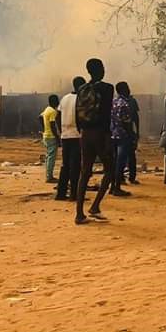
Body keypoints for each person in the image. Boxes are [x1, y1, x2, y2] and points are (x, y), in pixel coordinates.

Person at [75, 58, 116, 224]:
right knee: (110, 170)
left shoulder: (82, 88)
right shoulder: (107, 88)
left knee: (84, 172)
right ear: (99, 70)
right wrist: (107, 137)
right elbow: (106, 114)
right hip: (100, 133)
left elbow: (77, 112)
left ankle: (79, 214)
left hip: (84, 133)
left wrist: (82, 131)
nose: (104, 70)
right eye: (103, 67)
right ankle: (95, 206)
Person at [55, 76, 85, 202]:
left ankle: (61, 193)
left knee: (65, 165)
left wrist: (61, 131)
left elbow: (57, 116)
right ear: (81, 86)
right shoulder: (81, 99)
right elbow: (81, 117)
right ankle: (74, 194)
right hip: (76, 136)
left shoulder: (65, 98)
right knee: (75, 166)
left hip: (65, 136)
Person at [111, 81, 136, 194]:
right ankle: (116, 187)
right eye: (127, 88)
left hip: (113, 135)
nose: (129, 90)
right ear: (123, 90)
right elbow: (127, 123)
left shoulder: (113, 102)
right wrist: (132, 135)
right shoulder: (125, 104)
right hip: (123, 136)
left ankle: (112, 187)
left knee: (114, 161)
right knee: (120, 162)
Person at [40, 94, 60, 185]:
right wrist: (57, 137)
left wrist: (44, 129)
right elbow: (53, 125)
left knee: (48, 156)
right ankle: (49, 177)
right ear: (55, 101)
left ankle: (48, 175)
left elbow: (40, 117)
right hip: (51, 137)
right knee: (51, 157)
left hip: (46, 136)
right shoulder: (52, 111)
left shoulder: (47, 109)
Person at [126, 89, 140, 185]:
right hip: (128, 132)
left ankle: (121, 178)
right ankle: (131, 177)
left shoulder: (115, 101)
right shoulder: (131, 101)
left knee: (121, 156)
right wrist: (137, 131)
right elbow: (136, 117)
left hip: (118, 133)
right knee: (131, 156)